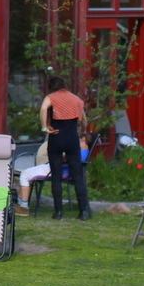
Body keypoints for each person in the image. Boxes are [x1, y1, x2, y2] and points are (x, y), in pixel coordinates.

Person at [40, 76, 92, 220]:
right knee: (77, 175)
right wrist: (83, 132)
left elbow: (44, 108)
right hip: (71, 138)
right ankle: (84, 212)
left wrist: (45, 127)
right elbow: (84, 120)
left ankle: (58, 212)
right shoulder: (76, 99)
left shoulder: (51, 97)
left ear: (52, 86)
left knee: (56, 176)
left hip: (56, 137)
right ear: (64, 85)